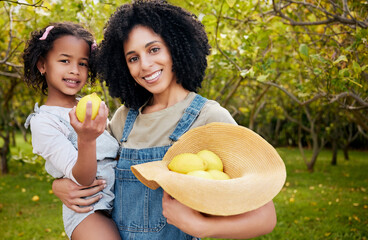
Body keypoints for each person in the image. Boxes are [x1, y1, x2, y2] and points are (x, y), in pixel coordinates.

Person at [52, 1, 277, 239]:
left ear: (175, 47)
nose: (146, 65)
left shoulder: (209, 117)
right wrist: (60, 186)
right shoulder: (123, 120)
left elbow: (264, 218)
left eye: (154, 49)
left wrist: (201, 226)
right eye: (133, 58)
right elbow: (94, 174)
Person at [23, 22, 121, 240]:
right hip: (88, 209)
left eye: (83, 63)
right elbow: (83, 180)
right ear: (42, 64)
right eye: (64, 60)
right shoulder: (45, 122)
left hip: (120, 201)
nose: (74, 70)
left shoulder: (89, 107)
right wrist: (86, 139)